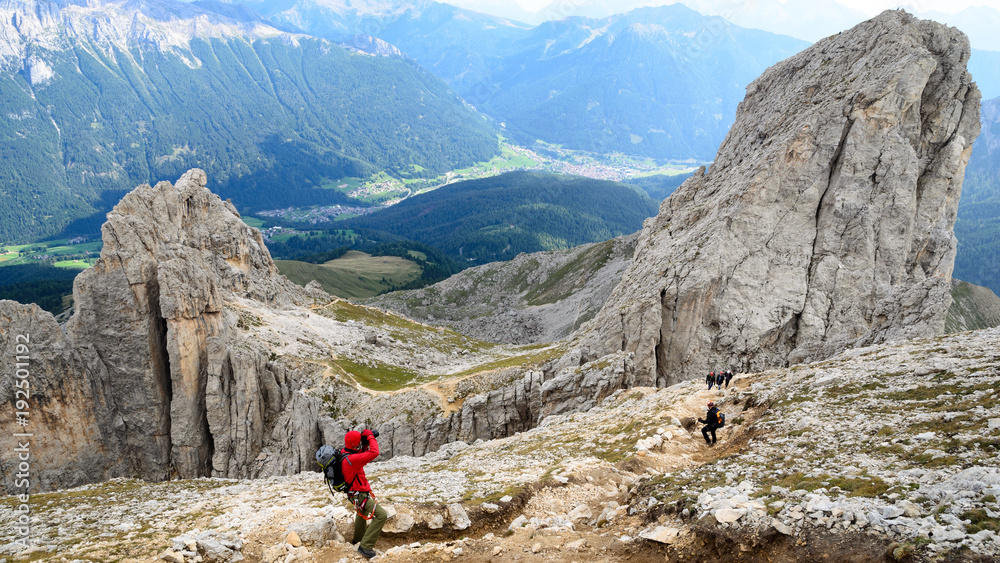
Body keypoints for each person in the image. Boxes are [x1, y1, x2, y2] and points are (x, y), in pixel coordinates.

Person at [341, 429, 386, 559]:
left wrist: (364, 443)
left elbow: (361, 454)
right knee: (381, 515)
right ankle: (365, 546)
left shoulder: (345, 454)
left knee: (362, 512)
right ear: (355, 445)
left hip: (354, 494)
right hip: (360, 495)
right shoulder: (352, 459)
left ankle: (358, 539)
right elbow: (374, 452)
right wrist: (371, 437)